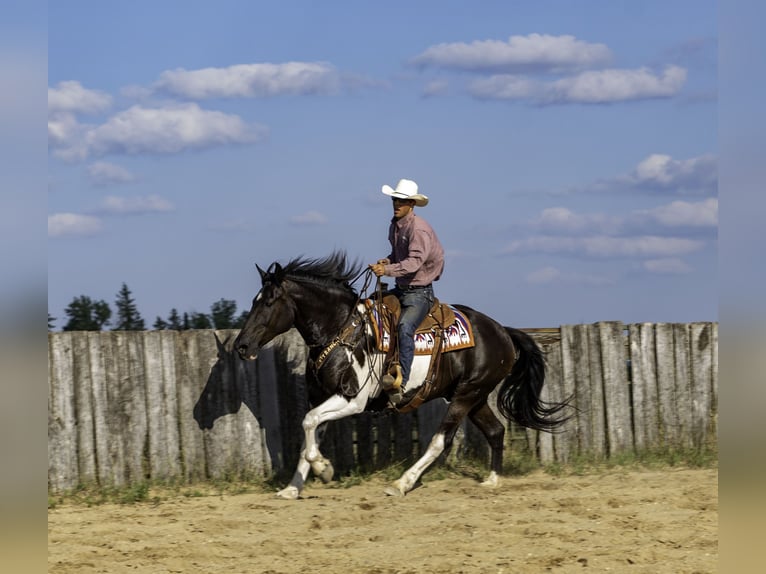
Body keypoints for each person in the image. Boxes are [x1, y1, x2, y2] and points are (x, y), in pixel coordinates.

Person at [369, 178, 445, 402]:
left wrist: (387, 270)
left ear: (411, 203)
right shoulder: (395, 224)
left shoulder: (419, 229)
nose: (396, 204)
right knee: (371, 308)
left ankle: (403, 380)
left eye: (401, 201)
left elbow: (414, 263)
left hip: (419, 293)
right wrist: (389, 260)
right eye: (394, 199)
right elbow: (399, 255)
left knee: (404, 326)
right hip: (403, 288)